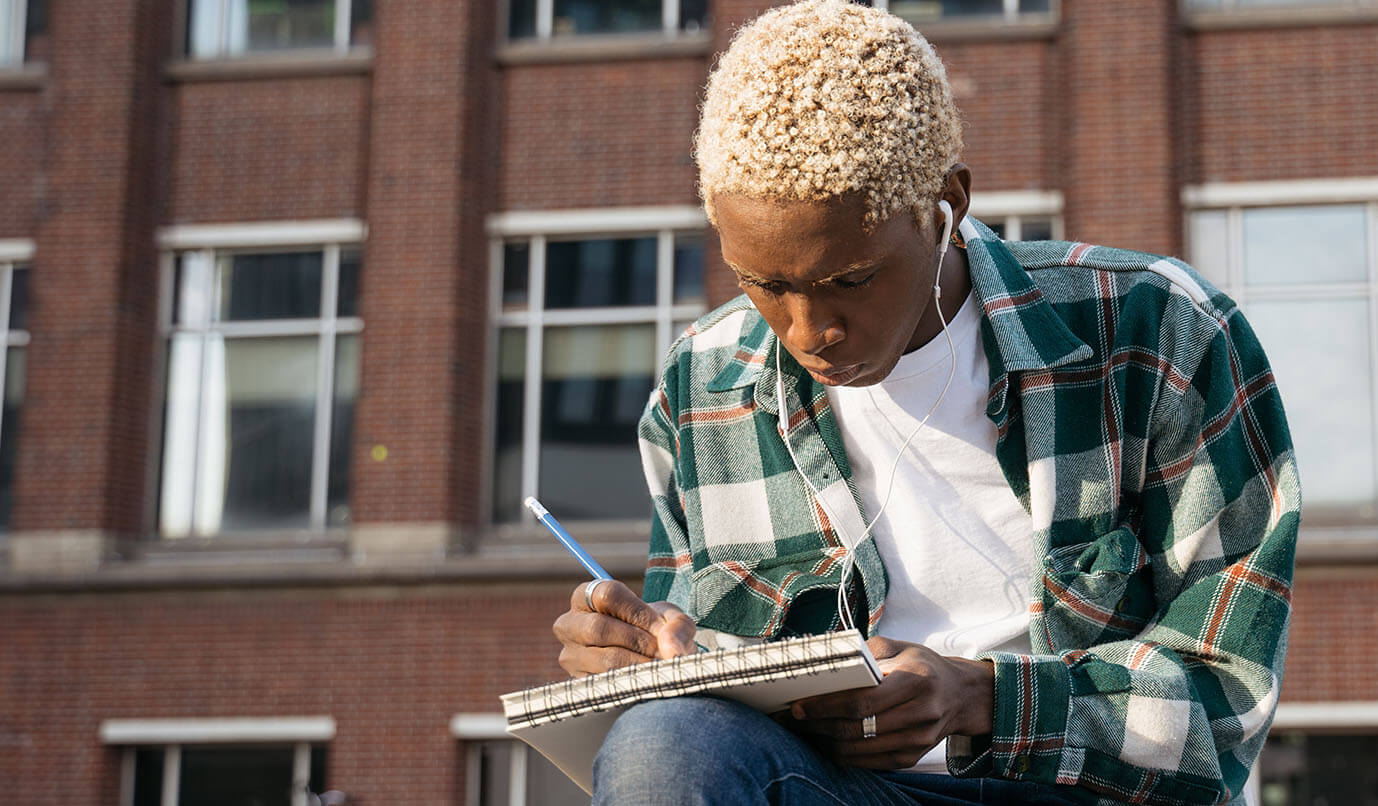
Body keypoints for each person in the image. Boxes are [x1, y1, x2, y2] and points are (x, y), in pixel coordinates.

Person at [549, 1, 1301, 803]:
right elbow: (702, 716)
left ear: (947, 203)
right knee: (660, 745)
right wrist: (636, 663)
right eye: (765, 284)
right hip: (837, 788)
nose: (811, 331)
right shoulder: (702, 382)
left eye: (851, 280)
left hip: (1077, 788)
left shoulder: (1157, 332)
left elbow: (1225, 699)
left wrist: (980, 697)